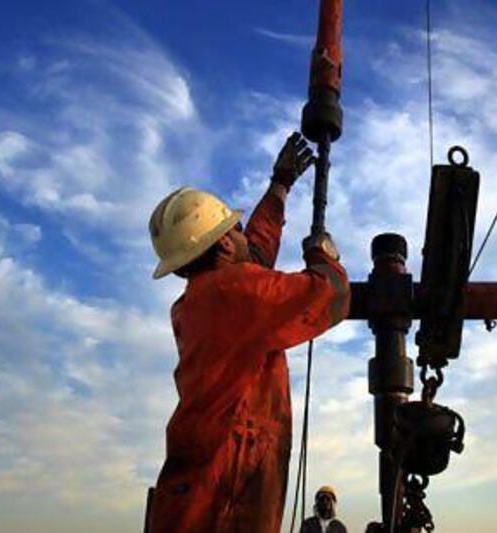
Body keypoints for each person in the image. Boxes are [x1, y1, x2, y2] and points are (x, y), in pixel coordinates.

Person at [146, 132, 350, 532]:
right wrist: (321, 254)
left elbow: (253, 255)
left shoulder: (198, 302)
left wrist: (280, 186)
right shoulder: (234, 295)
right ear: (223, 246)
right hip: (226, 491)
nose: (242, 234)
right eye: (234, 229)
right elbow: (331, 295)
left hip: (198, 490)